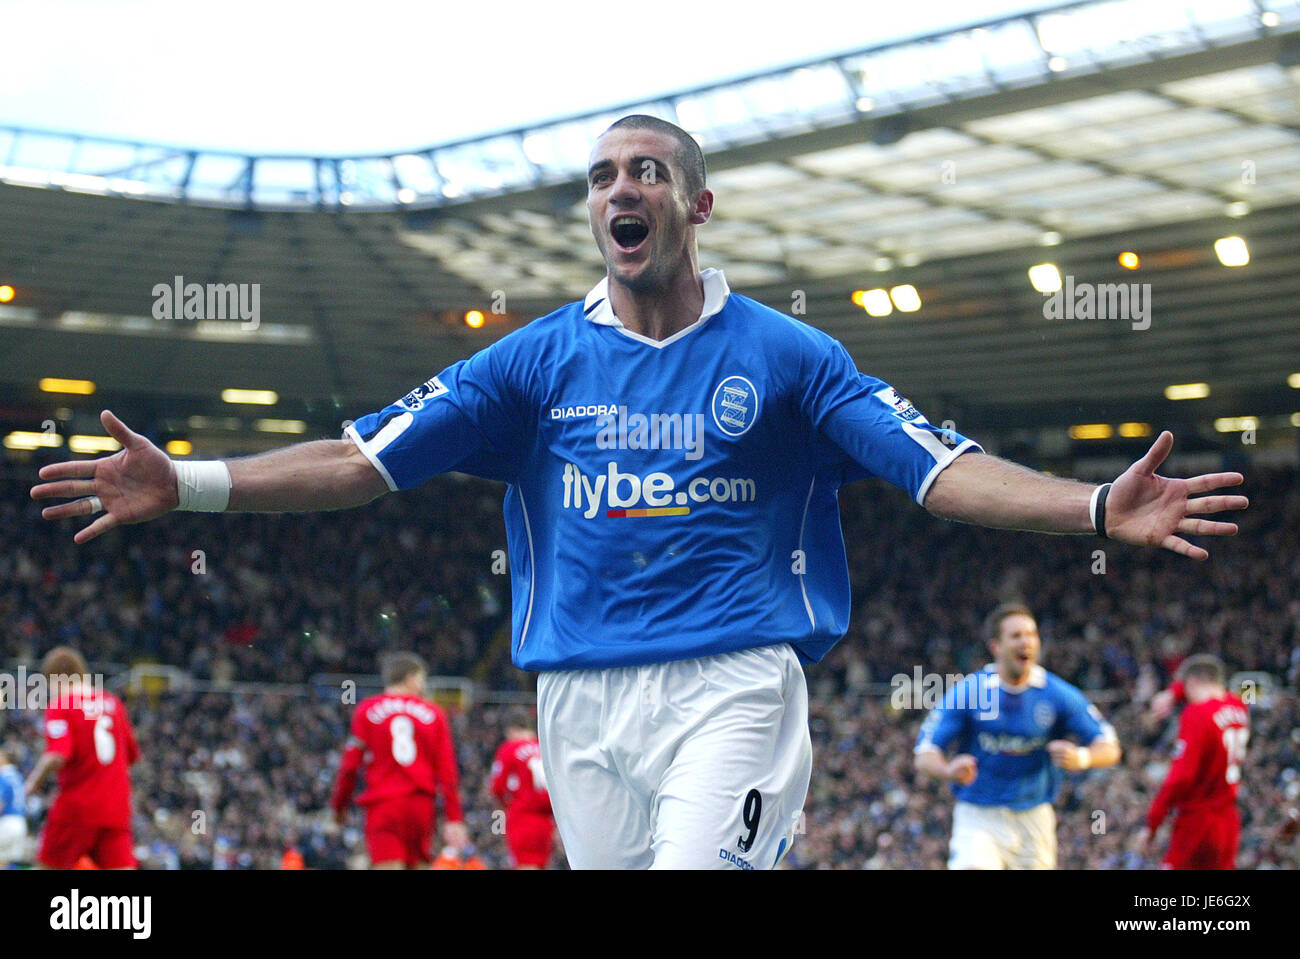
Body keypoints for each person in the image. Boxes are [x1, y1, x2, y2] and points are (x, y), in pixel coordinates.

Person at [31, 115, 1248, 869]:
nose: (624, 185)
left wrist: (1096, 507)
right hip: (575, 697)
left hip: (732, 682)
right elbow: (360, 457)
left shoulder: (786, 355)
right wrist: (190, 480)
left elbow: (935, 470)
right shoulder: (531, 361)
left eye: (650, 169)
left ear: (694, 205)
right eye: (606, 172)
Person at [913, 603, 1122, 869]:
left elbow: (1110, 746)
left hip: (1034, 819)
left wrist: (1081, 757)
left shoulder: (1056, 694)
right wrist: (948, 770)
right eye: (1016, 636)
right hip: (979, 817)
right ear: (995, 647)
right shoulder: (970, 692)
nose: (1026, 642)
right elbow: (924, 753)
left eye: (1031, 635)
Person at [330, 652, 468, 869]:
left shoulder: (366, 710)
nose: (423, 685)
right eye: (422, 678)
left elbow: (350, 766)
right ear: (410, 677)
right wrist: (454, 817)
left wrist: (339, 807)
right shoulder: (435, 714)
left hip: (383, 805)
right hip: (421, 807)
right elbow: (448, 772)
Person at [23, 647, 140, 870]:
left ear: (56, 679)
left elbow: (57, 755)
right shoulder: (113, 704)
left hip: (77, 808)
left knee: (48, 866)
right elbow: (131, 756)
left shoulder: (62, 705)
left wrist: (30, 785)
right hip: (116, 809)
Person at [1137, 654, 1249, 869]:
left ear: (1192, 683)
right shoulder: (1239, 707)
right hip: (1228, 820)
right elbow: (1201, 683)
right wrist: (1174, 693)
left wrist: (1152, 823)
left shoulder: (1196, 714)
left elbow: (1181, 778)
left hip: (1197, 821)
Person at [490, 707, 555, 869]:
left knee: (525, 865)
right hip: (547, 821)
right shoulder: (546, 748)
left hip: (522, 818)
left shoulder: (509, 749)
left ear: (511, 729)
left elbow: (497, 787)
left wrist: (505, 806)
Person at [0, 747, 28, 868]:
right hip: (20, 822)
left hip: (7, 821)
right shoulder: (18, 776)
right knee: (10, 861)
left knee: (1, 861)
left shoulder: (3, 776)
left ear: (4, 759)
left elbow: (1, 802)